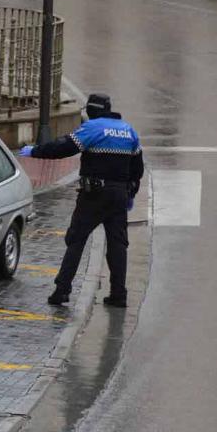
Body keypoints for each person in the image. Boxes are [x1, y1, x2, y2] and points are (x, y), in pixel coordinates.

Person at [19, 93, 144, 307]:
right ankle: (118, 294)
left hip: (93, 195)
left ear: (92, 111)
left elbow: (64, 148)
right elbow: (137, 168)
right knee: (118, 245)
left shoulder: (92, 128)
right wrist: (130, 194)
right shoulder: (128, 130)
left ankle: (62, 291)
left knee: (76, 240)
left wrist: (36, 151)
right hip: (118, 196)